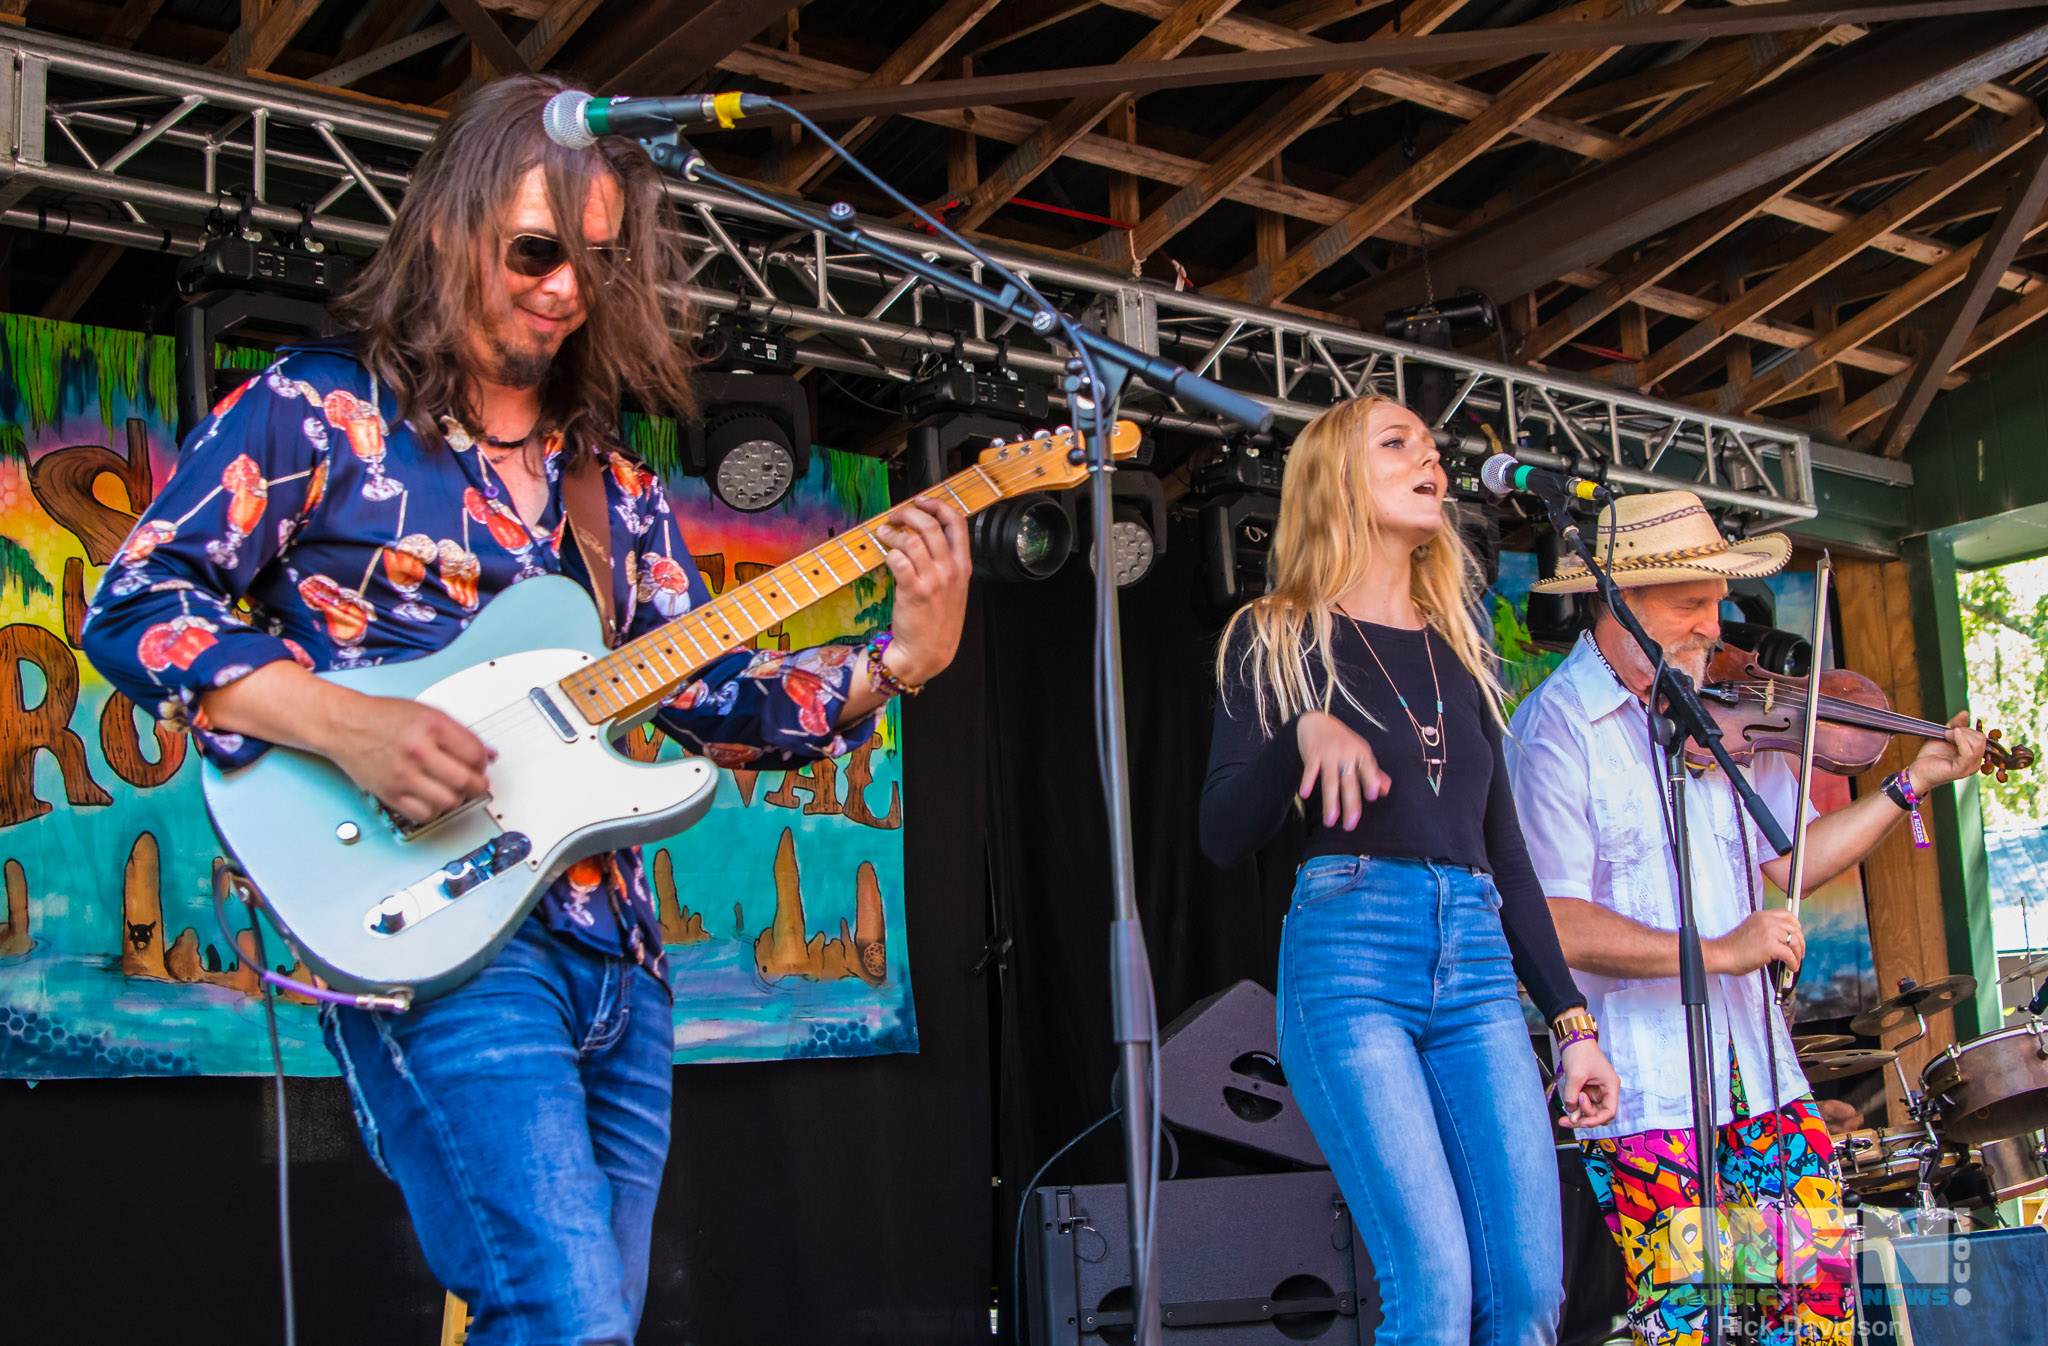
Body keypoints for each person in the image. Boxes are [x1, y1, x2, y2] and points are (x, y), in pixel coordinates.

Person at [81, 74, 971, 1344]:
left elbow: (714, 697)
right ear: (452, 228)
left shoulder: (617, 490)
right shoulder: (320, 410)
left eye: (597, 263)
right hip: (437, 929)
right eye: (536, 252)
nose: (566, 290)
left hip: (615, 955)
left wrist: (899, 660)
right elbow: (134, 603)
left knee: (582, 1320)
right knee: (562, 1315)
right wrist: (350, 725)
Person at [1504, 491, 1987, 1346]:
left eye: (1717, 601)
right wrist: (1721, 950)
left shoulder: (1722, 715)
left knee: (1812, 1317)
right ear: (1616, 601)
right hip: (1651, 1098)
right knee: (1697, 1326)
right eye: (1689, 604)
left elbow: (1790, 861)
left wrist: (1911, 784)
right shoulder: (1556, 729)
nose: (1712, 625)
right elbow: (1554, 921)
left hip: (1764, 1083)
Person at [1200, 395, 1620, 1345]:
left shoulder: (1459, 655)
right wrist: (1299, 737)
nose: (1430, 460)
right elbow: (1222, 832)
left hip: (1476, 963)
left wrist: (1572, 1023)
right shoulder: (1276, 634)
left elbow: (1505, 858)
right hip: (1351, 957)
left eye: (1433, 449)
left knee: (1528, 1294)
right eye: (1398, 444)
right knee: (1432, 1289)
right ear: (1336, 478)